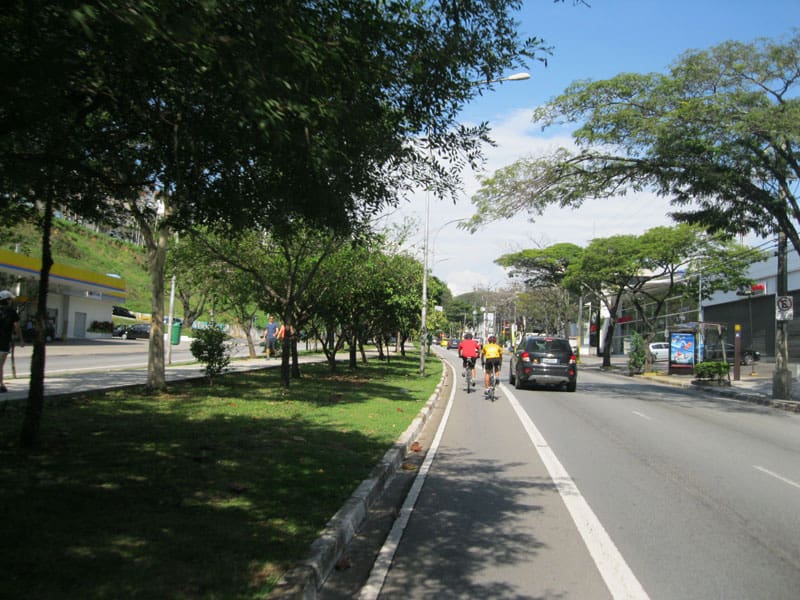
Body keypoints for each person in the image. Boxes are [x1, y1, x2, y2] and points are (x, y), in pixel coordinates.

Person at [0, 290, 24, 393]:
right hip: (4, 341)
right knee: (0, 364)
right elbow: (17, 326)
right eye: (10, 299)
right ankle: (1, 384)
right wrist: (21, 340)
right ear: (7, 300)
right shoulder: (12, 312)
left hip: (4, 341)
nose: (11, 301)